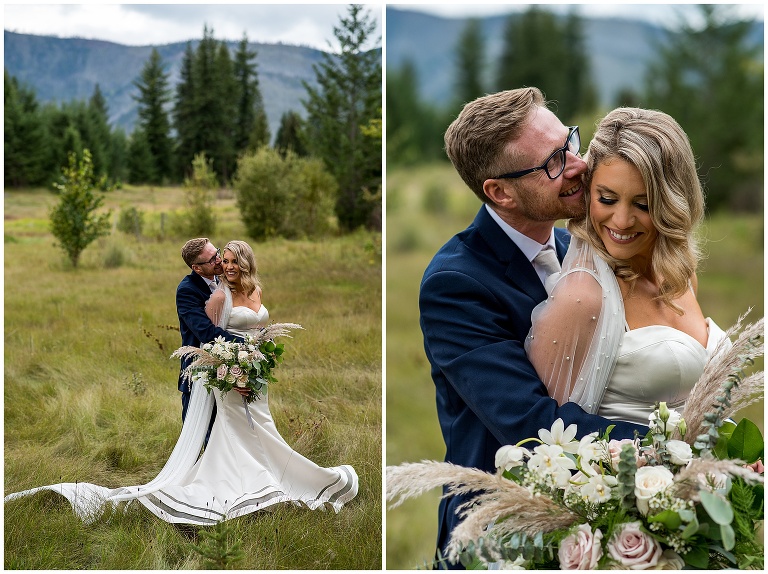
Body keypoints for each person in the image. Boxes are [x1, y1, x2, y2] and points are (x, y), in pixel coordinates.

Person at [418, 88, 647, 564]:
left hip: (584, 514)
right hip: (499, 533)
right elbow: (530, 423)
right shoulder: (455, 284)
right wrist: (662, 445)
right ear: (500, 192)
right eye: (553, 163)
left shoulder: (574, 247)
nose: (579, 165)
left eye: (571, 143)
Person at [4, 240, 359, 524]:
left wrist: (261, 351)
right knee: (224, 433)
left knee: (261, 428)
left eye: (227, 258)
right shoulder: (205, 293)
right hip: (222, 370)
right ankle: (244, 487)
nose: (223, 264)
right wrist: (240, 364)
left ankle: (271, 477)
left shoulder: (251, 290)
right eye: (218, 261)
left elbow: (259, 326)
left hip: (255, 370)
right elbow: (210, 336)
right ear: (197, 267)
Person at [525, 107, 729, 424]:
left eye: (643, 204)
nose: (621, 221)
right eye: (606, 199)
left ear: (673, 202)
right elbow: (549, 440)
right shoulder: (583, 296)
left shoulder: (681, 276)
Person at [177, 238, 242, 421]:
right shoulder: (186, 291)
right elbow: (206, 332)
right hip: (200, 371)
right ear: (197, 268)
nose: (219, 260)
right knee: (200, 432)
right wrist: (245, 344)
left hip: (227, 365)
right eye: (212, 259)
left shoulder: (225, 279)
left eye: (217, 253)